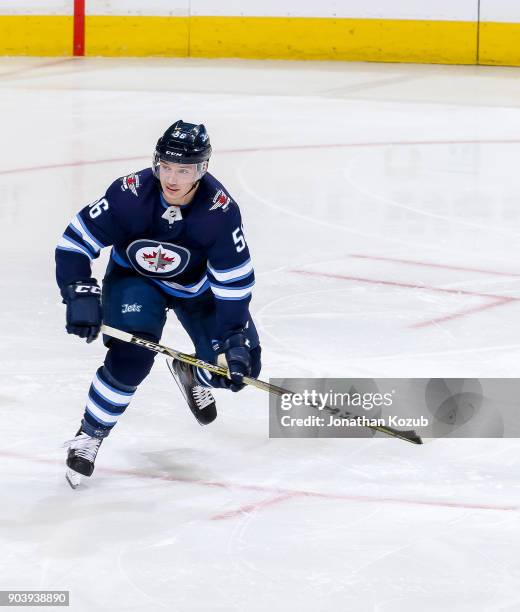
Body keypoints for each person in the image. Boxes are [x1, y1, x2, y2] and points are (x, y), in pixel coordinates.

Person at [55, 120, 261, 488]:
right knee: (130, 358)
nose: (172, 178)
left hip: (198, 290)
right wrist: (78, 291)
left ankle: (191, 372)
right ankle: (90, 435)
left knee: (238, 366)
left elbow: (233, 282)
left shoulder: (220, 212)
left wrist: (232, 335)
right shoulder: (129, 194)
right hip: (137, 280)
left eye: (184, 169)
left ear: (203, 169)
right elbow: (74, 243)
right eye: (166, 166)